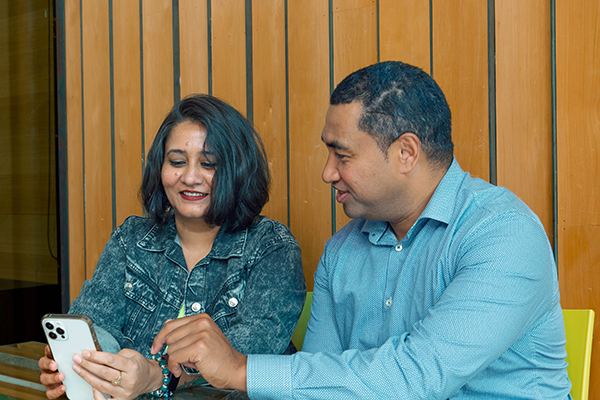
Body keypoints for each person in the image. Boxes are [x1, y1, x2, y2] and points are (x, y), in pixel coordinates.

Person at [152, 61, 572, 399]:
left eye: (342, 155)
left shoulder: (502, 234)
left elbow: (418, 377)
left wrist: (242, 370)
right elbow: (316, 386)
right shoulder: (342, 253)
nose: (327, 172)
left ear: (406, 152)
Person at [38, 94, 306, 399]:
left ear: (237, 170)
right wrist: (85, 365)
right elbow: (96, 325)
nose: (190, 177)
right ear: (160, 168)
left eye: (209, 164)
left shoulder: (272, 247)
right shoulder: (131, 239)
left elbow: (247, 360)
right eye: (177, 162)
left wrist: (157, 375)